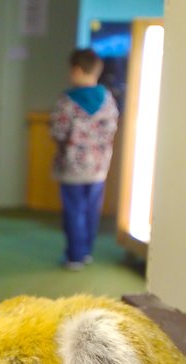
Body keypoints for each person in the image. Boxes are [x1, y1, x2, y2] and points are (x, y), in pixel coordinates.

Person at [49, 48, 119, 271]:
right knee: (91, 209)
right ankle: (86, 251)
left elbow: (58, 131)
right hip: (99, 166)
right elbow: (112, 128)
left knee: (74, 210)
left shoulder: (67, 101)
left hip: (73, 166)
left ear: (77, 70)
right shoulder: (108, 99)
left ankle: (75, 256)